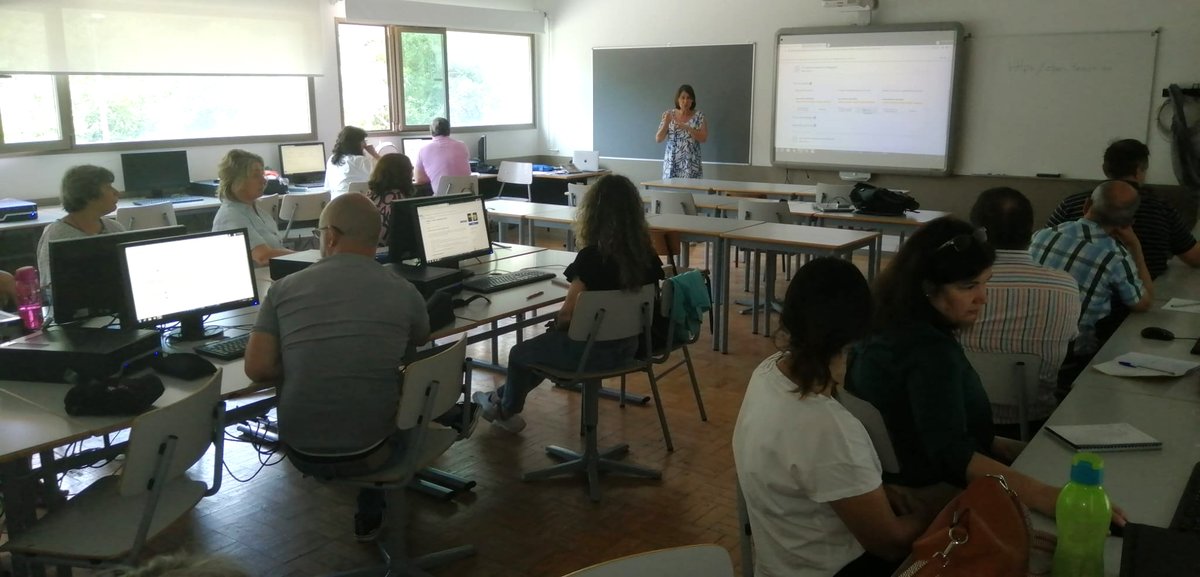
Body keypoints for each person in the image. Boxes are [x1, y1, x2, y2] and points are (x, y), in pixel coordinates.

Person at [847, 217, 1095, 524]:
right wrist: (1047, 496)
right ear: (928, 288)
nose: (983, 297)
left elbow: (952, 430)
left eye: (985, 282)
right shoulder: (929, 352)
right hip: (932, 493)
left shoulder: (882, 327)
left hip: (895, 475)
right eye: (968, 287)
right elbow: (954, 456)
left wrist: (1039, 454)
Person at [244, 193, 430, 542]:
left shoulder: (282, 289)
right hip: (375, 451)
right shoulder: (404, 292)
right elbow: (420, 339)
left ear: (330, 236)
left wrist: (306, 359)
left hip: (300, 449)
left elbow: (256, 369)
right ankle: (374, 503)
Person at [733, 257, 931, 577]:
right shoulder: (831, 426)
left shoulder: (767, 374)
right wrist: (929, 515)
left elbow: (812, 471)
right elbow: (890, 543)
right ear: (857, 334)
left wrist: (870, 492)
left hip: (775, 564)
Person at [472, 174, 665, 433]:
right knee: (543, 349)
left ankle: (505, 408)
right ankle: (499, 402)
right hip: (629, 348)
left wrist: (558, 326)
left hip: (588, 354)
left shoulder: (591, 258)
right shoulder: (648, 256)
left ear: (593, 213)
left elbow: (566, 317)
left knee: (522, 353)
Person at [959, 187, 1081, 438]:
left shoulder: (956, 287)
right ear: (1031, 231)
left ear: (977, 232)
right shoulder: (1066, 285)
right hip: (1036, 423)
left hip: (962, 419)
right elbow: (1068, 347)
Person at [1031, 180, 1153, 358]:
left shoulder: (1043, 235)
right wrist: (1135, 247)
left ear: (1087, 204)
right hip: (1072, 351)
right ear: (1128, 222)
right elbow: (1143, 304)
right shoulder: (1116, 256)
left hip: (1028, 340)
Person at [1045, 139, 1200, 278]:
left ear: (1105, 169)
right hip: (1144, 297)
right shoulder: (1160, 208)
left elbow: (1041, 245)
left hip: (1075, 295)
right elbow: (1194, 257)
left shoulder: (1072, 203)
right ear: (1140, 170)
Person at [36, 165, 126, 290]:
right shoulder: (56, 236)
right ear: (88, 194)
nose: (117, 192)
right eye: (108, 187)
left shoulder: (115, 228)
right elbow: (51, 289)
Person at [211, 149, 292, 267]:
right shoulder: (230, 216)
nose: (264, 180)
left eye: (263, 175)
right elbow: (263, 256)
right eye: (256, 176)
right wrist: (306, 256)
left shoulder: (256, 211)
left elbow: (276, 249)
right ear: (237, 181)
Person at [655, 84, 708, 179]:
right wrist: (666, 122)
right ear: (678, 99)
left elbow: (703, 138)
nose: (685, 101)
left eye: (688, 98)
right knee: (672, 192)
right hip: (672, 163)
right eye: (682, 98)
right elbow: (658, 139)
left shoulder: (699, 116)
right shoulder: (669, 115)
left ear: (692, 100)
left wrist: (687, 128)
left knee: (690, 191)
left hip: (691, 164)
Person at [365, 152, 416, 246]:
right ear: (405, 173)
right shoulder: (399, 200)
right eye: (411, 169)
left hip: (368, 250)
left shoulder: (369, 196)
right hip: (387, 253)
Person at [413, 117, 471, 196]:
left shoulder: (424, 150)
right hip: (467, 197)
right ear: (449, 131)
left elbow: (419, 179)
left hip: (442, 200)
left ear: (431, 131)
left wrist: (434, 176)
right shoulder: (462, 145)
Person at [325, 125, 380, 194]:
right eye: (363, 141)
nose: (365, 144)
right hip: (355, 202)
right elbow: (387, 169)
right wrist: (374, 154)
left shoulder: (332, 159)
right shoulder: (361, 161)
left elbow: (327, 187)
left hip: (335, 203)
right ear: (355, 143)